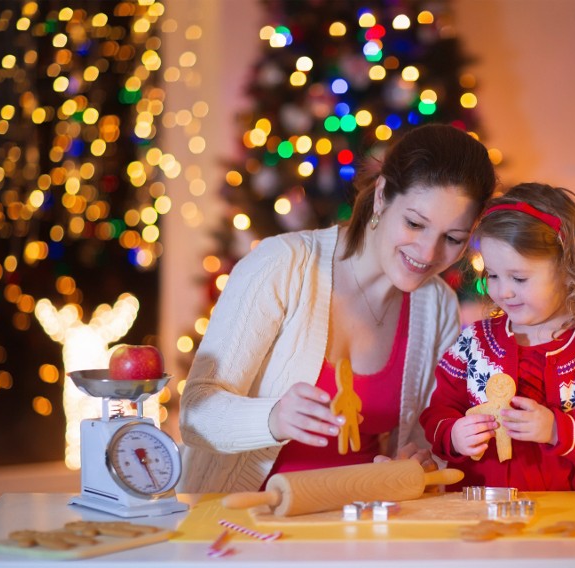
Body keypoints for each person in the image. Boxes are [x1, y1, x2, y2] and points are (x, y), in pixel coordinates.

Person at [178, 124, 497, 493]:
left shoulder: (436, 304)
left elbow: (423, 436)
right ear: (381, 197)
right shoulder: (282, 265)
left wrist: (420, 460)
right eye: (414, 223)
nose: (428, 253)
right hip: (241, 523)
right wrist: (273, 418)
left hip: (358, 527)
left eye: (453, 238)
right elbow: (194, 412)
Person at [419, 182, 575, 491]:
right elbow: (438, 412)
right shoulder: (473, 344)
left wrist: (555, 429)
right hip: (483, 513)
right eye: (493, 275)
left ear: (567, 270)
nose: (503, 291)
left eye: (519, 278)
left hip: (571, 524)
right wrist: (454, 434)